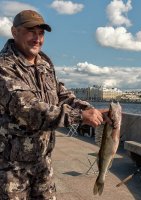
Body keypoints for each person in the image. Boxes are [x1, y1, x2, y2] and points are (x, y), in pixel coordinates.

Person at [0, 10, 108, 199]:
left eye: (41, 33)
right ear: (14, 32)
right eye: (30, 31)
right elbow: (28, 108)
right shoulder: (4, 67)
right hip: (11, 168)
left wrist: (89, 110)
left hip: (43, 162)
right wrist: (79, 117)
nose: (37, 38)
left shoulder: (44, 64)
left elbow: (61, 95)